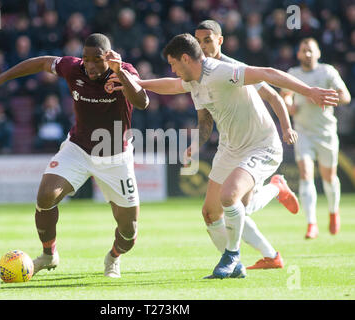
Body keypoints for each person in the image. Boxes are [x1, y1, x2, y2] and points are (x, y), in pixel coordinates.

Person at [108, 33, 338, 279]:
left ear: (185, 58)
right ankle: (245, 248)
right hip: (230, 148)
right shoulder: (193, 79)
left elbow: (269, 73)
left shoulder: (222, 70)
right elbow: (172, 86)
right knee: (211, 213)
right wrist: (139, 83)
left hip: (261, 145)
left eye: (173, 64)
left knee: (230, 197)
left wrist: (308, 90)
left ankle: (231, 255)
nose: (173, 69)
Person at [0, 33, 149, 278]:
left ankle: (113, 258)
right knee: (45, 197)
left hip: (115, 157)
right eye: (86, 59)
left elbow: (142, 102)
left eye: (97, 60)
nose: (90, 65)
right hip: (78, 148)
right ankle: (49, 254)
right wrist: (0, 78)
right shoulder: (74, 68)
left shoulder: (125, 71)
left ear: (109, 57)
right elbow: (42, 62)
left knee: (128, 233)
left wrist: (121, 73)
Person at [193, 20, 298, 270]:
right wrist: (195, 145)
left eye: (207, 40)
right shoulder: (198, 74)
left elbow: (273, 95)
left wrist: (286, 127)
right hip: (230, 147)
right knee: (224, 211)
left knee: (236, 205)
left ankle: (275, 188)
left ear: (220, 40)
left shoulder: (235, 68)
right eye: (198, 42)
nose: (203, 46)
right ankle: (269, 257)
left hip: (257, 144)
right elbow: (203, 117)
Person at [281, 38, 351, 239]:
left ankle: (333, 211)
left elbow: (345, 96)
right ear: (298, 54)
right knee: (305, 174)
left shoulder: (327, 72)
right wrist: (289, 105)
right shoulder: (293, 74)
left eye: (311, 50)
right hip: (303, 131)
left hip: (325, 131)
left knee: (329, 177)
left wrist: (325, 97)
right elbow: (284, 95)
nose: (307, 54)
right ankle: (311, 223)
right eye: (304, 50)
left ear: (318, 53)